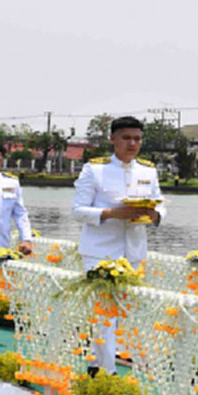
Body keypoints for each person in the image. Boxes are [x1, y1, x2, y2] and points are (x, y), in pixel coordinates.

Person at [72, 116, 166, 375]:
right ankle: (107, 372)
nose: (132, 143)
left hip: (133, 251)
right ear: (113, 139)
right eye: (126, 138)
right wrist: (112, 213)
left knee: (121, 311)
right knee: (106, 312)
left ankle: (95, 361)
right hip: (100, 252)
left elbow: (159, 204)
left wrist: (154, 215)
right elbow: (78, 210)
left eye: (137, 138)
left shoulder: (148, 171)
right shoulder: (95, 169)